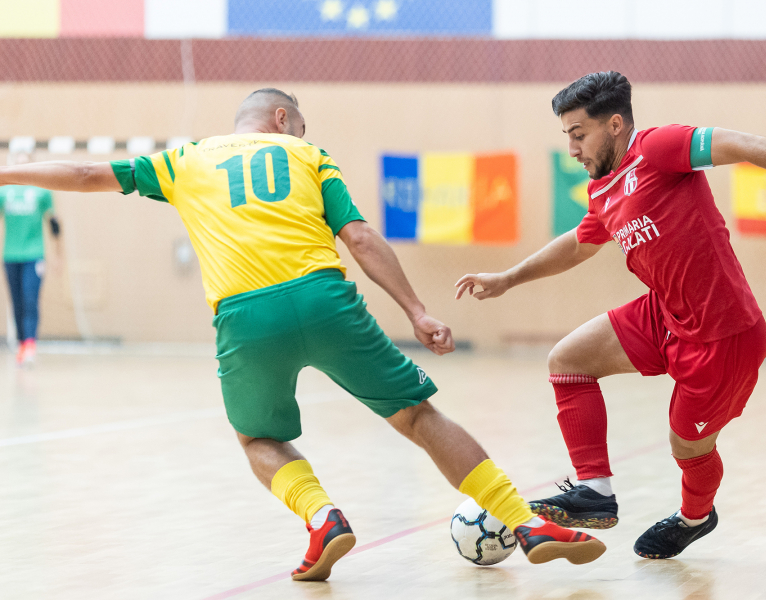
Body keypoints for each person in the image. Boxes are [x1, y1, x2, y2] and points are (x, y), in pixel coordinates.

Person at [0, 88, 605, 581]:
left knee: (258, 438)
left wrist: (6, 171)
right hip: (326, 300)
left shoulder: (184, 159)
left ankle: (323, 518)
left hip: (244, 317)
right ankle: (524, 521)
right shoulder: (309, 156)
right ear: (283, 119)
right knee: (420, 418)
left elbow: (83, 172)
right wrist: (417, 311)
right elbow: (362, 238)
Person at [455, 71, 766, 559]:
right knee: (568, 359)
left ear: (615, 125)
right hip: (665, 313)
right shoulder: (603, 189)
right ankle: (595, 492)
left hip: (723, 335)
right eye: (567, 137)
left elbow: (739, 143)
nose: (573, 149)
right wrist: (508, 278)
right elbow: (578, 244)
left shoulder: (658, 148)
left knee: (688, 448)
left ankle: (695, 517)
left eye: (579, 135)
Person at [0, 153, 62, 365]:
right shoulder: (4, 192)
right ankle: (21, 343)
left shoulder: (41, 192)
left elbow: (54, 224)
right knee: (16, 302)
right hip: (10, 255)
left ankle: (30, 344)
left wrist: (58, 256)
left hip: (34, 255)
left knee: (30, 299)